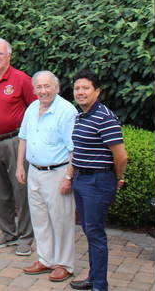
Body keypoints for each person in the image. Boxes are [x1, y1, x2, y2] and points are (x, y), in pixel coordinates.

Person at [67, 71, 128, 291]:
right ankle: (93, 279)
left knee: (95, 234)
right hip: (82, 179)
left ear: (97, 91)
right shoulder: (81, 115)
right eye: (77, 88)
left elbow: (121, 156)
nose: (80, 92)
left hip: (98, 181)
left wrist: (118, 178)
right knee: (89, 231)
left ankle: (99, 285)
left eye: (85, 88)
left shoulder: (105, 117)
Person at [17, 71, 79, 284]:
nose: (43, 91)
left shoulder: (66, 111)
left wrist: (68, 177)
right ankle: (45, 259)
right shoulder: (32, 108)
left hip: (58, 172)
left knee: (61, 220)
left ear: (57, 87)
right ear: (33, 90)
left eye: (47, 86)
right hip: (34, 171)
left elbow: (74, 149)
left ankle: (64, 264)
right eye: (39, 87)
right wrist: (20, 166)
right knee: (40, 219)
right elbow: (23, 138)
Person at [0, 38, 37, 255]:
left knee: (20, 190)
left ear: (9, 56)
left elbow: (35, 109)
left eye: (0, 54)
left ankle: (25, 236)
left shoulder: (21, 79)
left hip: (15, 143)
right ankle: (7, 232)